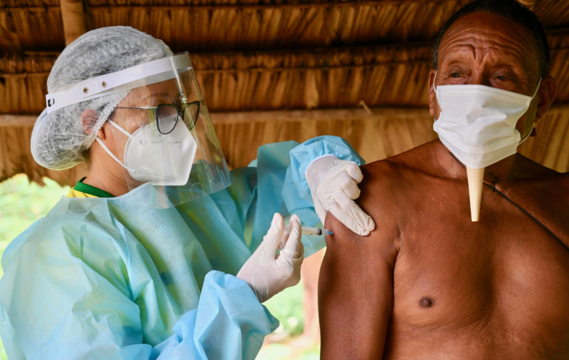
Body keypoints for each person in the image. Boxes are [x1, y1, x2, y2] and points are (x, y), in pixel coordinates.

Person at [0, 26, 375, 360]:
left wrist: (319, 167)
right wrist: (241, 297)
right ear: (95, 124)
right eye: (158, 110)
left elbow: (290, 195)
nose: (176, 124)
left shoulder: (193, 201)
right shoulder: (53, 255)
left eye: (178, 107)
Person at [318, 1, 569, 359]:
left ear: (540, 100)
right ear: (433, 90)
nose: (476, 92)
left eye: (502, 77)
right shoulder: (375, 198)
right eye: (457, 74)